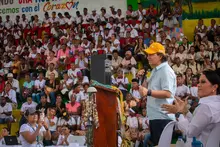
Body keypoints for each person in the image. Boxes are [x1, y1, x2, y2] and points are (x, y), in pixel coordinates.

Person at [162, 69, 220, 147]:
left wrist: (178, 113)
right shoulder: (215, 105)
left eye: (203, 82)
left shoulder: (206, 107)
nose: (198, 85)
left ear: (214, 87)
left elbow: (190, 132)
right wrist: (185, 111)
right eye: (199, 82)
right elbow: (197, 122)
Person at [139, 42, 176, 146]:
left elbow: (168, 93)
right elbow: (146, 89)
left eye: (151, 54)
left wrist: (148, 92)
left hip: (162, 117)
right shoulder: (155, 70)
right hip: (156, 116)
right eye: (147, 55)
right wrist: (143, 77)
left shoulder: (165, 71)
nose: (148, 57)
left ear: (160, 56)